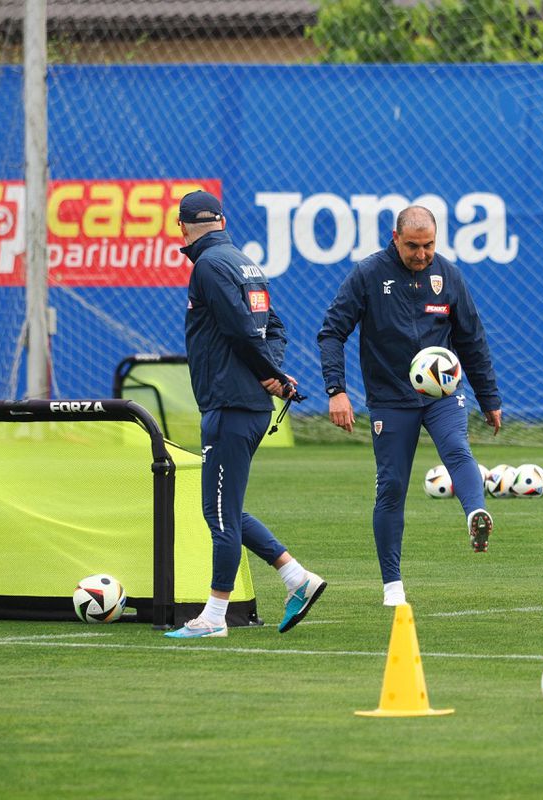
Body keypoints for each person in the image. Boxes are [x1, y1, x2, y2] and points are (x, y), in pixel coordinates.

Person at [317, 205, 502, 607]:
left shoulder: (448, 275)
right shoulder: (368, 275)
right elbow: (332, 332)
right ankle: (392, 586)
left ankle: (476, 515)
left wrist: (489, 398)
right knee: (392, 487)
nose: (422, 254)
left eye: (429, 245)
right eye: (413, 246)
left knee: (456, 448)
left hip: (442, 394)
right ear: (395, 238)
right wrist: (337, 390)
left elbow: (471, 340)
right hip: (390, 398)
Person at [165, 190, 326, 638]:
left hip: (230, 405)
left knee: (217, 516)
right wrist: (271, 375)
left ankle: (214, 618)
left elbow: (240, 330)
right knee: (227, 508)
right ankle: (298, 578)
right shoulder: (243, 261)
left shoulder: (208, 266)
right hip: (247, 405)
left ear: (182, 227)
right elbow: (275, 327)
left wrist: (268, 373)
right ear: (221, 220)